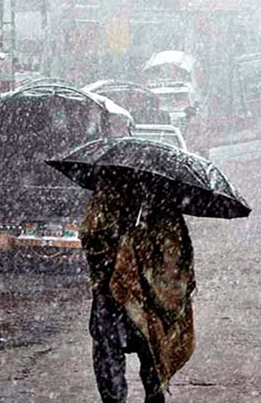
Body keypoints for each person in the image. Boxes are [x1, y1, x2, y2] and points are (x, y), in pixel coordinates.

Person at [80, 170, 196, 403]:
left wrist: (141, 249)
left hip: (146, 295)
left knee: (148, 352)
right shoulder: (107, 199)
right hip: (114, 292)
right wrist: (120, 246)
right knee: (116, 354)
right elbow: (92, 240)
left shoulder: (162, 208)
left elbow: (177, 254)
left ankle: (148, 396)